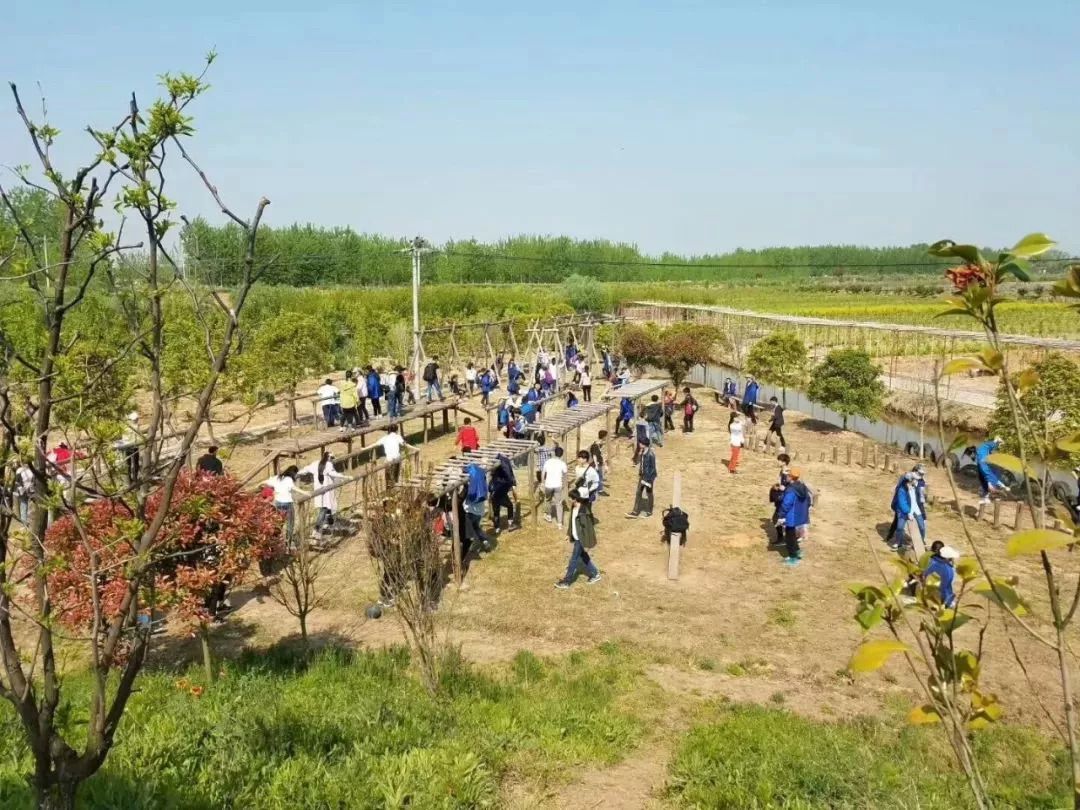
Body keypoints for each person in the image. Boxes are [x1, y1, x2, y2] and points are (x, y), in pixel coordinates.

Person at [555, 486, 602, 589]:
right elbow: (572, 523)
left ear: (576, 499)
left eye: (571, 498)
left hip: (581, 539)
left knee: (574, 559)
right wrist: (568, 534)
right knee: (583, 557)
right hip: (576, 538)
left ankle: (566, 582)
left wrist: (587, 544)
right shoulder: (574, 507)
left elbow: (588, 530)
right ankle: (595, 574)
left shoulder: (583, 512)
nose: (570, 500)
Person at [264, 465, 308, 549]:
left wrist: (259, 484)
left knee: (278, 523)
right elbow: (294, 488)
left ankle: (273, 542)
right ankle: (288, 544)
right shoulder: (289, 479)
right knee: (290, 524)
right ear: (293, 473)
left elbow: (266, 482)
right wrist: (305, 492)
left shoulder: (277, 477)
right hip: (287, 504)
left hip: (278, 504)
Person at [307, 451, 347, 534]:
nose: (332, 460)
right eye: (331, 458)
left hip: (319, 490)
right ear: (328, 458)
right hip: (325, 491)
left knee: (327, 508)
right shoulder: (328, 465)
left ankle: (328, 523)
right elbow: (333, 473)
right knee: (324, 509)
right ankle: (316, 529)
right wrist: (344, 476)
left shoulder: (316, 463)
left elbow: (306, 469)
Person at [777, 468, 810, 566]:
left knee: (789, 538)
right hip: (800, 515)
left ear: (791, 477)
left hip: (791, 516)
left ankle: (793, 558)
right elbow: (808, 501)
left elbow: (786, 503)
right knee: (792, 536)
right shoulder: (803, 486)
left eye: (787, 475)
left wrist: (781, 515)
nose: (786, 477)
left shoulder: (791, 489)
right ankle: (797, 551)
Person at [462, 449, 492, 553]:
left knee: (469, 531)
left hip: (471, 511)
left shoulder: (472, 474)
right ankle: (485, 542)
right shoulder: (481, 477)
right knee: (476, 527)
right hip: (480, 511)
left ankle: (469, 547)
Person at [889, 471, 927, 553]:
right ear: (910, 480)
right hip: (904, 511)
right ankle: (898, 542)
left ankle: (921, 541)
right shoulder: (901, 490)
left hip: (916, 509)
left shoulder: (916, 486)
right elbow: (902, 503)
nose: (916, 481)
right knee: (899, 527)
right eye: (914, 479)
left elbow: (921, 494)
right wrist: (908, 513)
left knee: (922, 527)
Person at [626, 438, 657, 519]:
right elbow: (638, 462)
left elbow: (653, 468)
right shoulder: (642, 452)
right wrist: (639, 455)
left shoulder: (651, 454)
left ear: (644, 444)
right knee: (638, 493)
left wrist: (647, 480)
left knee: (649, 493)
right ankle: (635, 511)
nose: (639, 444)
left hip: (649, 477)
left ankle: (649, 511)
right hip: (642, 476)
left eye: (640, 443)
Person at [489, 452, 518, 534]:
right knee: (509, 505)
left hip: (494, 493)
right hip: (500, 493)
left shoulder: (494, 476)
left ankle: (497, 528)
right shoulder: (503, 475)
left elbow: (490, 486)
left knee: (496, 511)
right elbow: (509, 479)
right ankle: (510, 524)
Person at [924, 542, 960, 608]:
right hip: (939, 599)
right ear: (948, 558)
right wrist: (948, 602)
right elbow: (945, 587)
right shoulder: (948, 570)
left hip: (927, 593)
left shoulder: (931, 561)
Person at [541, 446, 569, 529]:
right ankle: (560, 523)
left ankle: (548, 515)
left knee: (547, 500)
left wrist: (542, 482)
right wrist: (564, 485)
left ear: (554, 453)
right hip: (558, 485)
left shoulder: (548, 461)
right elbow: (565, 475)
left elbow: (543, 473)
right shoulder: (562, 463)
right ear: (561, 455)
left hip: (548, 485)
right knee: (559, 503)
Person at [975, 437, 1005, 504]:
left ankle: (986, 497)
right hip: (985, 463)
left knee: (991, 479)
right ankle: (985, 497)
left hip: (987, 464)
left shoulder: (986, 450)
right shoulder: (985, 449)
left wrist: (1002, 485)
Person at [13, 459, 35, 525]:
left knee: (28, 505)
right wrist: (22, 489)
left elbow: (33, 480)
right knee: (24, 505)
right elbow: (17, 481)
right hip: (23, 490)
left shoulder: (31, 470)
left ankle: (29, 521)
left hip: (30, 489)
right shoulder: (19, 470)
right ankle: (24, 522)